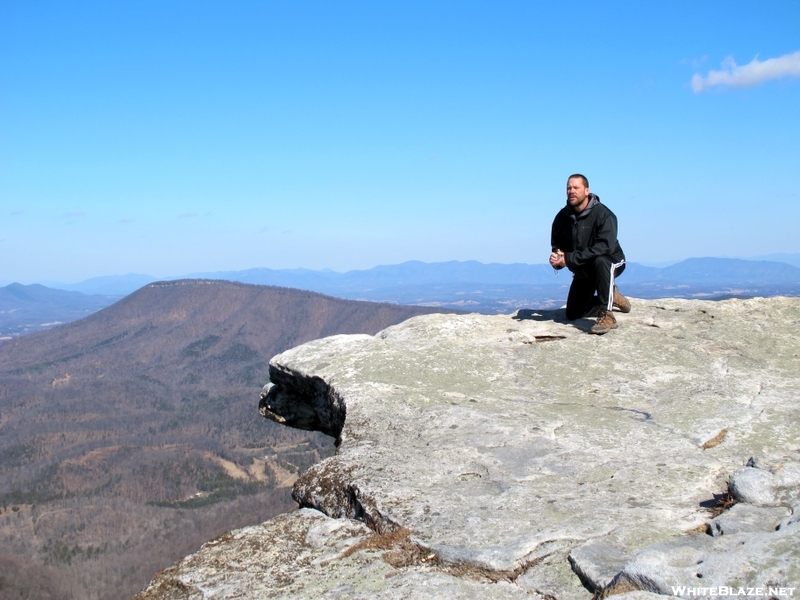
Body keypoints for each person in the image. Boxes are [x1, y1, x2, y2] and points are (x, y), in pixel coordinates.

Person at [549, 174, 631, 334]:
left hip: (611, 261)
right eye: (569, 188)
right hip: (584, 268)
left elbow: (604, 248)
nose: (571, 191)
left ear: (587, 191)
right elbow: (558, 245)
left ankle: (607, 315)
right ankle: (610, 296)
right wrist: (557, 258)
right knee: (573, 313)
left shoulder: (604, 214)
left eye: (576, 188)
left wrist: (569, 258)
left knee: (601, 261)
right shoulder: (562, 218)